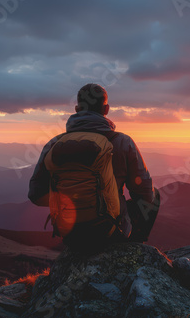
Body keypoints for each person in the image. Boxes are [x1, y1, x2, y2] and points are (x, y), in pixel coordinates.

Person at [28, 83, 160, 250]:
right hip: (112, 232)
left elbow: (35, 194)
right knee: (155, 195)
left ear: (77, 109)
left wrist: (71, 202)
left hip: (70, 234)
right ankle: (135, 247)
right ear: (106, 109)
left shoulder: (54, 144)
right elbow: (145, 192)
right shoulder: (122, 142)